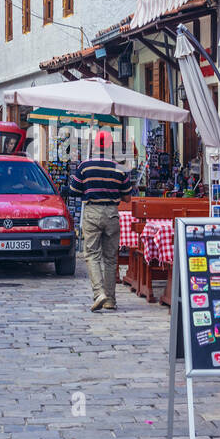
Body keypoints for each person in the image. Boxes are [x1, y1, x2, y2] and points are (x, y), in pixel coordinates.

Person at [68, 130, 133, 312]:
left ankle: (99, 293)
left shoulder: (85, 166)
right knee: (111, 258)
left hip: (92, 212)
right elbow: (127, 198)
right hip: (112, 213)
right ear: (111, 146)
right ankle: (111, 299)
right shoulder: (120, 168)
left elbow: (74, 190)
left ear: (95, 145)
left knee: (92, 255)